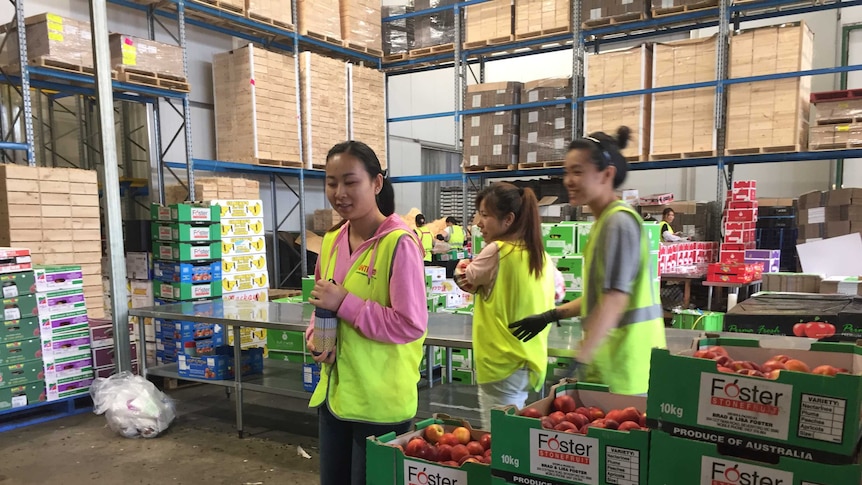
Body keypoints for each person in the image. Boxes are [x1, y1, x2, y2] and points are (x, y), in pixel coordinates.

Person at [508, 127, 666, 396]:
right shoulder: (604, 223)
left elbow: (615, 299)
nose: (568, 180)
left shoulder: (617, 223)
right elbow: (599, 298)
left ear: (606, 174)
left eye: (578, 172)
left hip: (626, 369)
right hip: (613, 368)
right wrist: (550, 315)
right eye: (567, 171)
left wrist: (582, 356)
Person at [305, 141, 428, 485]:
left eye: (350, 181)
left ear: (376, 183)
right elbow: (320, 301)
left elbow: (410, 324)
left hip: (380, 403)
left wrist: (344, 303)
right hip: (336, 396)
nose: (339, 192)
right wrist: (315, 335)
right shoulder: (330, 241)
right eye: (331, 182)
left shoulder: (399, 244)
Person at [454, 183, 563, 428]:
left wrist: (462, 263)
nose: (478, 222)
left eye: (485, 215)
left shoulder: (497, 251)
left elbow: (465, 278)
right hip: (529, 359)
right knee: (517, 426)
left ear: (508, 219)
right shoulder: (541, 256)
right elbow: (559, 291)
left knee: (499, 437)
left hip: (499, 361)